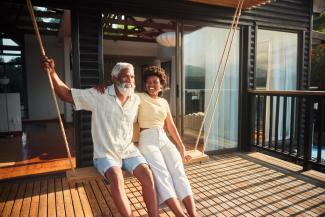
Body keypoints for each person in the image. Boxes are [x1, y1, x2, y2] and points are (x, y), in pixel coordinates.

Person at [41, 56, 158, 217]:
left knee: (148, 176)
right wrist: (52, 72)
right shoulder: (99, 95)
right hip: (105, 153)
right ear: (115, 78)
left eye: (132, 76)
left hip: (128, 151)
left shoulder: (136, 99)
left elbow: (155, 101)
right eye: (126, 76)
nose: (130, 80)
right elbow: (66, 94)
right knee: (117, 180)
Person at [96, 66, 198, 217]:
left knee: (178, 171)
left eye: (155, 81)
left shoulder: (164, 102)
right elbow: (121, 90)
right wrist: (105, 86)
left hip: (164, 138)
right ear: (144, 85)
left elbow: (170, 126)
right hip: (147, 140)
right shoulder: (138, 97)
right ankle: (180, 215)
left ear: (161, 84)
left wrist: (181, 146)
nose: (151, 84)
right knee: (162, 174)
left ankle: (193, 214)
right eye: (148, 82)